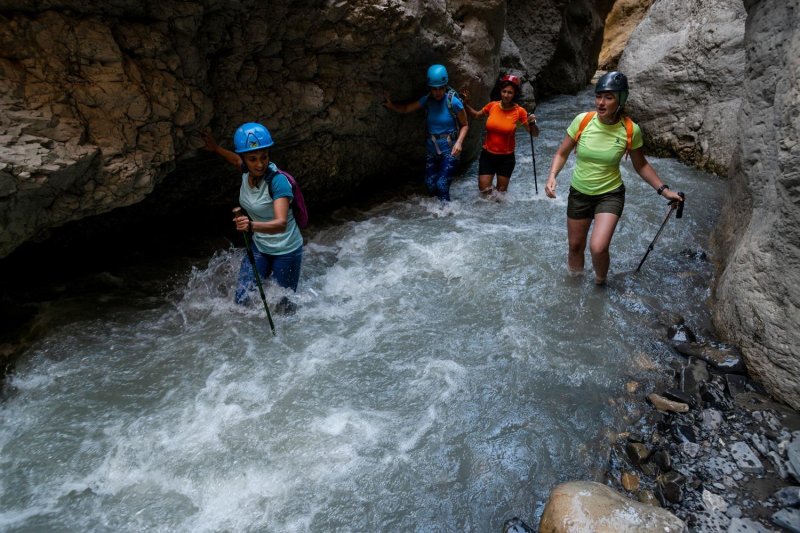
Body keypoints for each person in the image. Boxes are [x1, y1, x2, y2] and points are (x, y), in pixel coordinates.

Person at [544, 71, 684, 285]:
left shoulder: (630, 130)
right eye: (599, 96)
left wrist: (664, 190)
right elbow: (562, 152)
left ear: (621, 100)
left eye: (608, 97)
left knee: (598, 247)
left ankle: (600, 284)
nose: (601, 102)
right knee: (575, 247)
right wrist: (552, 175)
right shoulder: (583, 121)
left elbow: (641, 164)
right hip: (579, 193)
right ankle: (574, 288)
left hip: (610, 195)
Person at [201, 123, 303, 310]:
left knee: (283, 306)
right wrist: (215, 148)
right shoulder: (246, 171)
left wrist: (250, 226)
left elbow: (281, 224)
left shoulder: (277, 181)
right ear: (245, 159)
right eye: (252, 158)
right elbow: (234, 160)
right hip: (261, 246)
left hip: (287, 250)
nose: (260, 164)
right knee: (242, 299)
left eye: (264, 157)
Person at [383, 64, 469, 203]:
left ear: (445, 85)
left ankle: (448, 215)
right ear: (430, 88)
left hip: (451, 151)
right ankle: (436, 216)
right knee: (430, 184)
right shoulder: (427, 99)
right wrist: (391, 105)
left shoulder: (453, 101)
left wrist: (459, 142)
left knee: (441, 184)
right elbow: (406, 109)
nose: (437, 92)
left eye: (441, 88)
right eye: (434, 89)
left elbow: (465, 125)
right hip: (432, 151)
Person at [462, 74, 540, 197]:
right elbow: (477, 115)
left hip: (506, 158)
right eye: (504, 91)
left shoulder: (519, 112)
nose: (506, 95)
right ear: (500, 91)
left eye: (510, 92)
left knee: (500, 196)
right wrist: (465, 104)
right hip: (488, 155)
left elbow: (534, 134)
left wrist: (532, 123)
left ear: (515, 94)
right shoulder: (492, 106)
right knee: (484, 190)